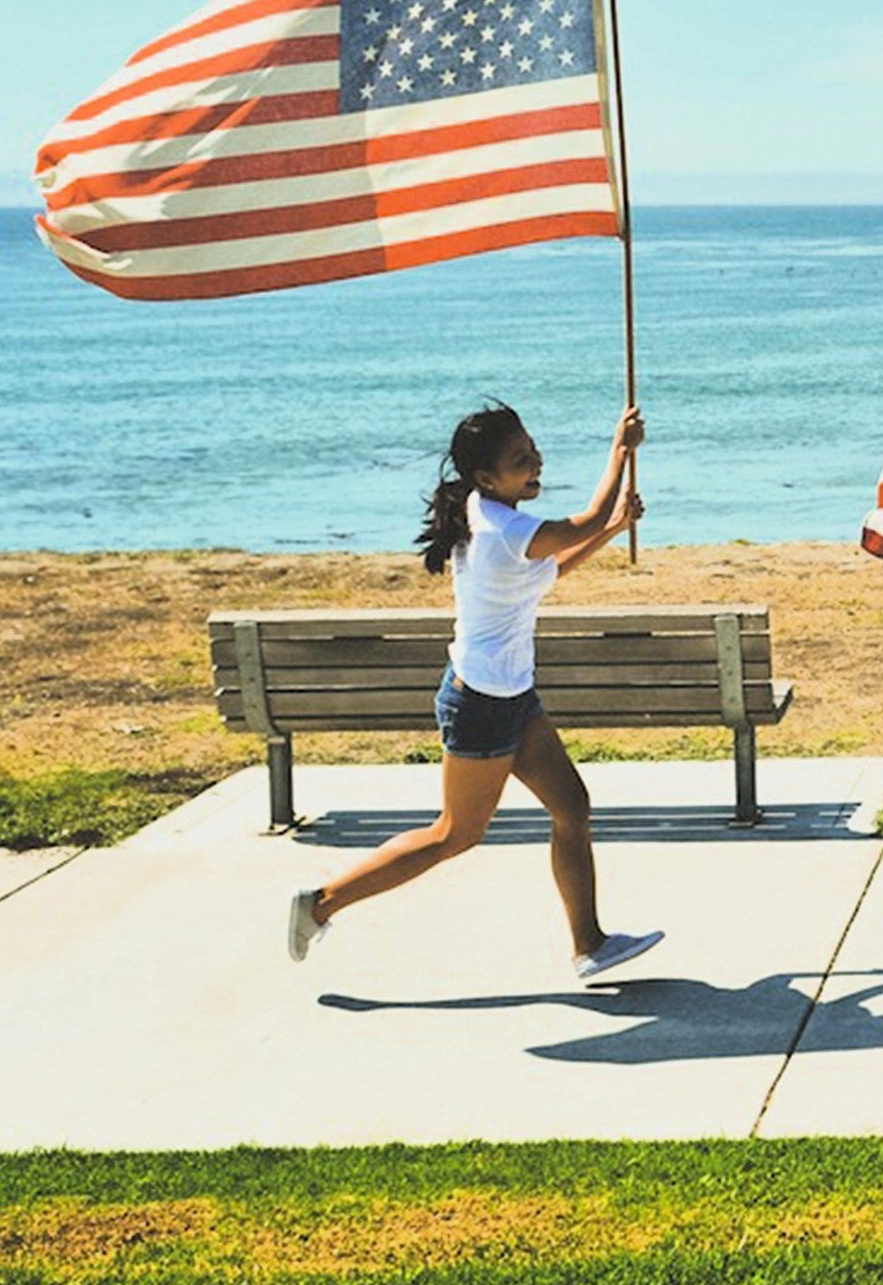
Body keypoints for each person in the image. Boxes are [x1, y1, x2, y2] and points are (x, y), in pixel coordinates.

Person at [285, 399, 664, 979]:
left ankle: (589, 944)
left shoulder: (488, 510)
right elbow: (581, 521)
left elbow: (552, 568)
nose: (534, 463)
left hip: (512, 695)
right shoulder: (503, 527)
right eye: (520, 460)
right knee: (453, 835)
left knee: (572, 806)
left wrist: (613, 529)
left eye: (533, 450)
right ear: (487, 477)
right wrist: (619, 451)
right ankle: (320, 904)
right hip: (481, 704)